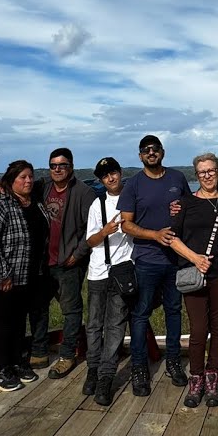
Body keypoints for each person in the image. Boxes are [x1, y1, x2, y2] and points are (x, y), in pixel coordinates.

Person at [118, 134, 190, 396]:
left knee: (173, 311)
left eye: (155, 149)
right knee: (140, 315)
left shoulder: (177, 178)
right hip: (146, 259)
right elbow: (125, 224)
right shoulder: (133, 184)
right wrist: (155, 234)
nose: (151, 153)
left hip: (174, 259)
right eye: (146, 150)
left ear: (162, 152)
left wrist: (180, 209)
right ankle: (139, 368)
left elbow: (188, 208)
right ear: (140, 156)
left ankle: (173, 361)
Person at [169, 153, 218, 408]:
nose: (207, 175)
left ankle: (212, 377)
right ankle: (195, 377)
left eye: (211, 170)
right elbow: (172, 238)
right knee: (198, 329)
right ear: (196, 176)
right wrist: (195, 258)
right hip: (194, 272)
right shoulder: (184, 204)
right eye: (202, 172)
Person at [0, 160, 49, 392]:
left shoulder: (35, 202)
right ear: (11, 181)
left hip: (29, 274)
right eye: (22, 177)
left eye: (30, 176)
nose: (28, 181)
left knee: (19, 322)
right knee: (2, 323)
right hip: (5, 276)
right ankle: (1, 370)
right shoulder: (0, 204)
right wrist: (2, 275)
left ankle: (18, 362)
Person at [30, 147, 96, 379]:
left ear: (71, 167)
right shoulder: (42, 187)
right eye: (53, 165)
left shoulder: (84, 193)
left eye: (62, 165)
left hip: (69, 261)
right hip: (43, 262)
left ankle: (68, 354)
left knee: (71, 311)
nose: (57, 169)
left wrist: (78, 255)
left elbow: (93, 230)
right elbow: (16, 186)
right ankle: (38, 350)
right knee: (38, 307)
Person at [82, 157, 132, 406]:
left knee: (115, 325)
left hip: (123, 271)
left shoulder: (132, 199)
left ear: (120, 173)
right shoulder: (97, 204)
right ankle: (92, 368)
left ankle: (105, 376)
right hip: (98, 271)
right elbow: (90, 241)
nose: (110, 178)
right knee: (93, 324)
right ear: (101, 180)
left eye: (113, 173)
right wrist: (105, 231)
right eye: (105, 176)